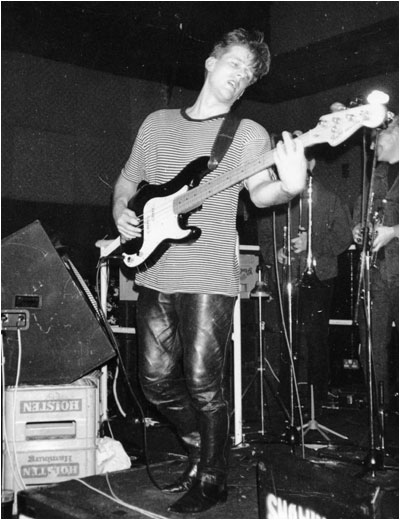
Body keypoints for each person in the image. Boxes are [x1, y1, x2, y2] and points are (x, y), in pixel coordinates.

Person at [112, 28, 307, 514]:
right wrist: (120, 211)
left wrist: (292, 184)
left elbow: (262, 195)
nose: (240, 77)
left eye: (249, 75)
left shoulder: (247, 134)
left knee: (202, 381)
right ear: (210, 62)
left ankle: (214, 478)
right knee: (153, 380)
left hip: (209, 272)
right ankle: (204, 445)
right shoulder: (157, 123)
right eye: (235, 64)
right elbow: (130, 179)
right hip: (155, 270)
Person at [258, 151, 353, 412]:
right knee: (286, 338)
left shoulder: (329, 197)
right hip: (286, 275)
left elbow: (344, 237)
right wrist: (275, 252)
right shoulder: (274, 196)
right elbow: (265, 236)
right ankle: (287, 398)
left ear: (310, 163)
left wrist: (312, 246)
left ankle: (316, 401)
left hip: (319, 276)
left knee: (315, 340)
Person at [352, 115, 399, 411]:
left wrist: (394, 232)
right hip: (380, 273)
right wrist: (358, 229)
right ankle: (377, 411)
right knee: (372, 345)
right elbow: (361, 212)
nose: (372, 144)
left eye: (378, 137)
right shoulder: (377, 176)